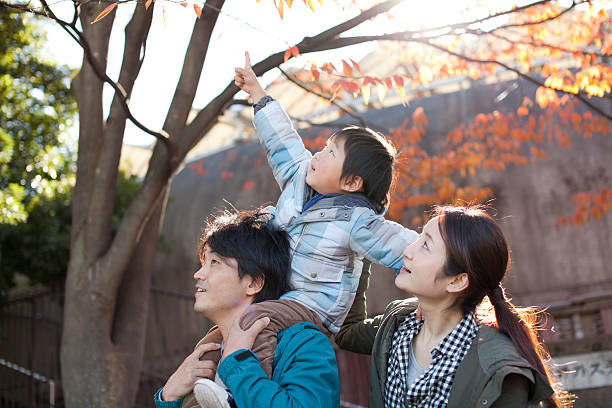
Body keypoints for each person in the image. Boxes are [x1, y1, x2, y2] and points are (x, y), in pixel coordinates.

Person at [335, 205, 572, 407]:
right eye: (419, 238)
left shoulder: (499, 372)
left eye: (426, 246)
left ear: (457, 280)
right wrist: (358, 250)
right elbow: (346, 332)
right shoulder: (397, 325)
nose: (407, 251)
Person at [153, 210, 340, 408]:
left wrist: (239, 362)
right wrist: (169, 397)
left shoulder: (303, 343)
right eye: (203, 262)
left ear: (254, 283)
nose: (198, 274)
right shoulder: (210, 352)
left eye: (214, 262)